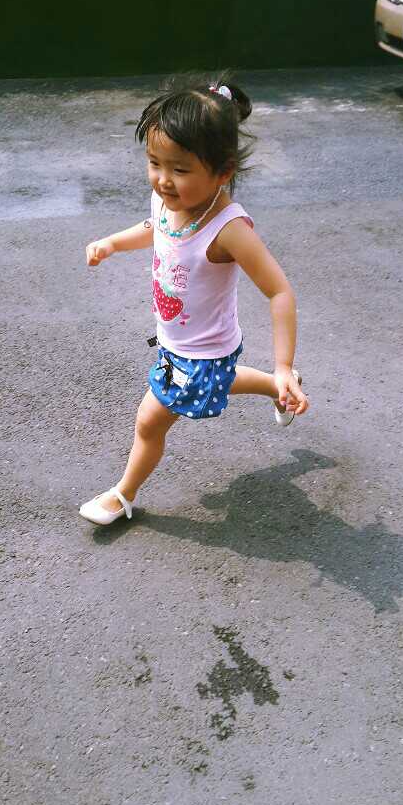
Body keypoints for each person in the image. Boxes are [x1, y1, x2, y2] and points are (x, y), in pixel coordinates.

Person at [80, 72, 309, 525]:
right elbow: (156, 229)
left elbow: (280, 291)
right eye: (155, 163)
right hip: (178, 342)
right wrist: (112, 243)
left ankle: (123, 494)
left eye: (180, 170)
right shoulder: (168, 201)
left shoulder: (230, 230)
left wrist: (284, 364)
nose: (164, 181)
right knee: (219, 382)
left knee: (149, 421)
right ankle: (273, 389)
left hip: (203, 351)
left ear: (223, 172)